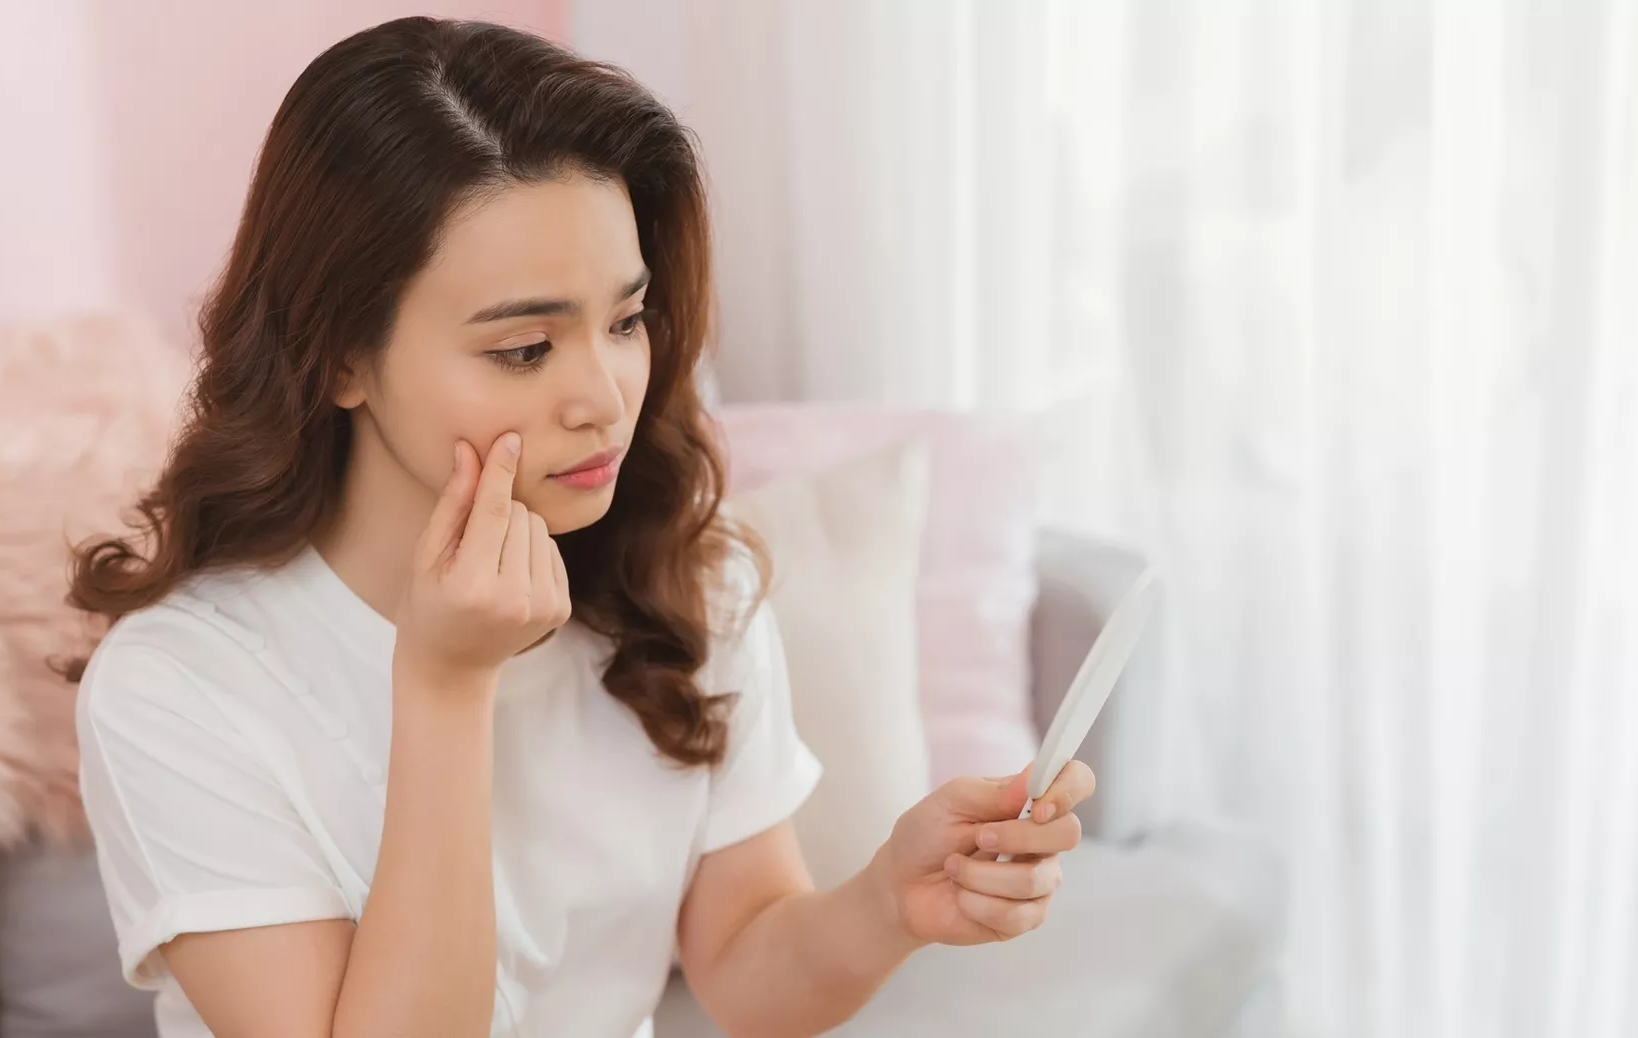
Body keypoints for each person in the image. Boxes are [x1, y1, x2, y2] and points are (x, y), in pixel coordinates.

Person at [65, 16, 1095, 1038]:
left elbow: (747, 973)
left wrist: (887, 904)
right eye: (525, 348)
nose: (605, 397)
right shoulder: (181, 687)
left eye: (625, 321)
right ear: (338, 356)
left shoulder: (686, 581)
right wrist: (445, 687)